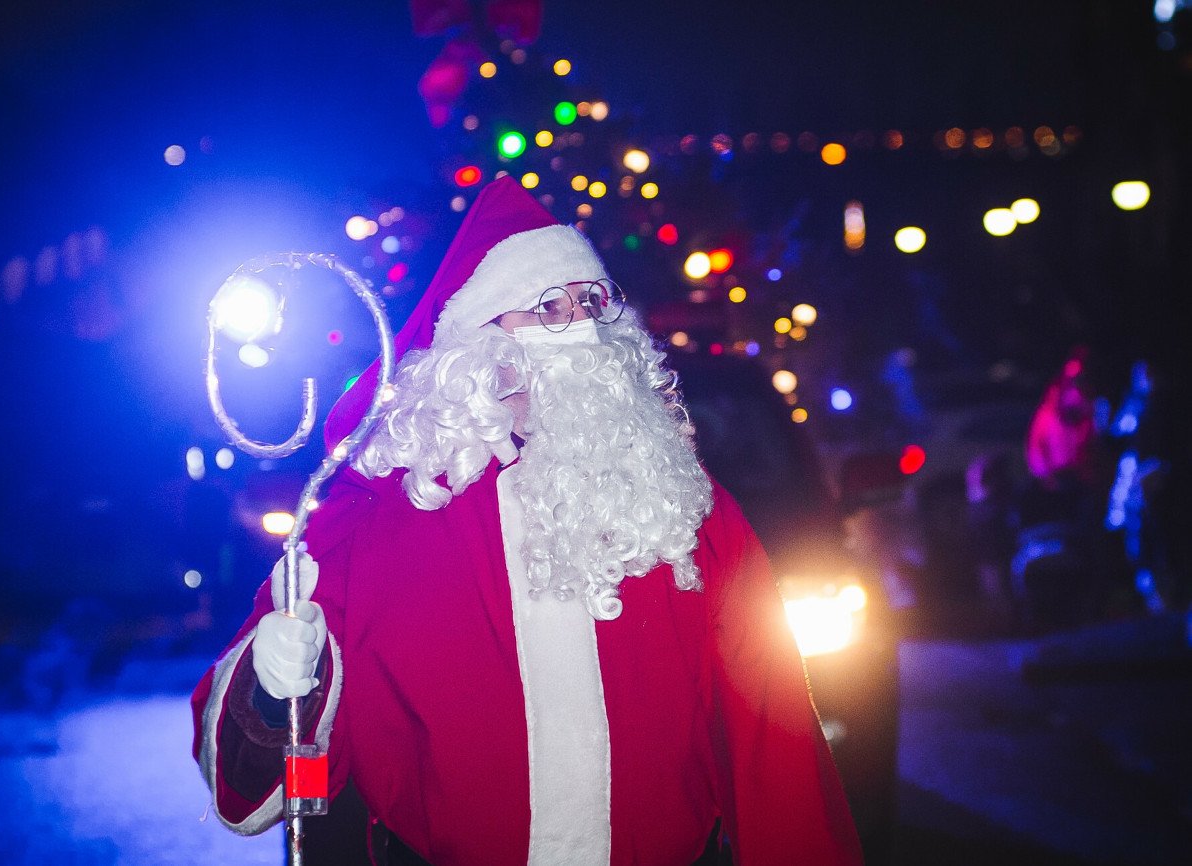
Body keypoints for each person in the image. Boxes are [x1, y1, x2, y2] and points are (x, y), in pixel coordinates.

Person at [191, 177, 862, 865]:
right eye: (548, 307)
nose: (579, 327)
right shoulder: (371, 527)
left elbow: (772, 738)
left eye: (591, 303)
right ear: (477, 348)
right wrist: (272, 691)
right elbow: (263, 783)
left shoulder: (683, 504)